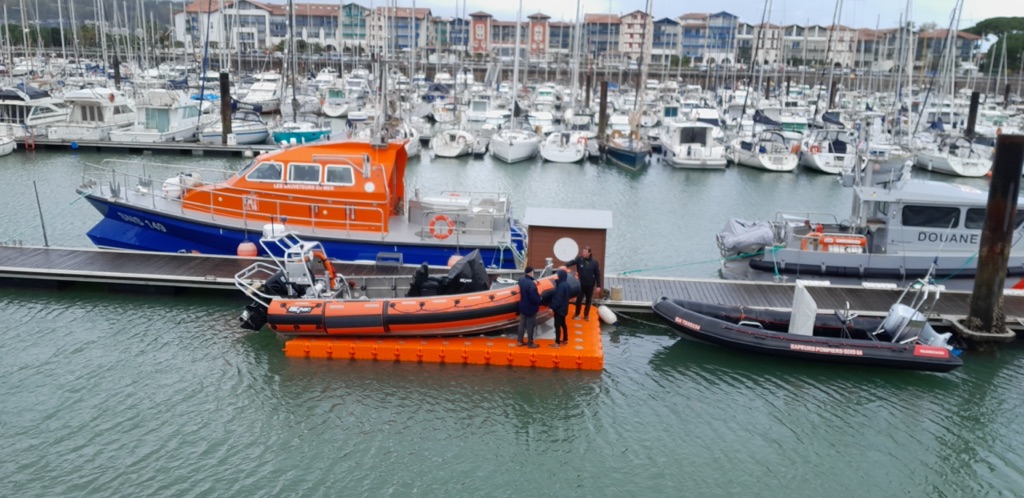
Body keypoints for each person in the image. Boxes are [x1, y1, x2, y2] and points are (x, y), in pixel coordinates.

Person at [565, 246, 601, 321]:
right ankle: (577, 313)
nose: (583, 253)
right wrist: (565, 265)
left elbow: (597, 274)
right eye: (583, 252)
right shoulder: (579, 259)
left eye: (585, 252)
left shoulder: (594, 262)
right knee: (579, 299)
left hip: (590, 285)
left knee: (588, 300)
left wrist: (598, 285)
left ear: (589, 253)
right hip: (580, 284)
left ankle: (586, 315)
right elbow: (571, 262)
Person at [516, 266, 541, 348]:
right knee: (530, 325)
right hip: (530, 308)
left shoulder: (522, 280)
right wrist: (539, 299)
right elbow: (534, 297)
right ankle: (530, 342)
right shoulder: (531, 284)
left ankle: (520, 341)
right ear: (531, 272)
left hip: (522, 306)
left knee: (522, 324)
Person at [549, 269, 571, 346]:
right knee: (563, 324)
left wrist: (552, 308)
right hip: (565, 308)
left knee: (557, 325)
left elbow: (558, 298)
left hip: (559, 309)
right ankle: (565, 339)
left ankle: (557, 342)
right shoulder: (567, 285)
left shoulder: (561, 286)